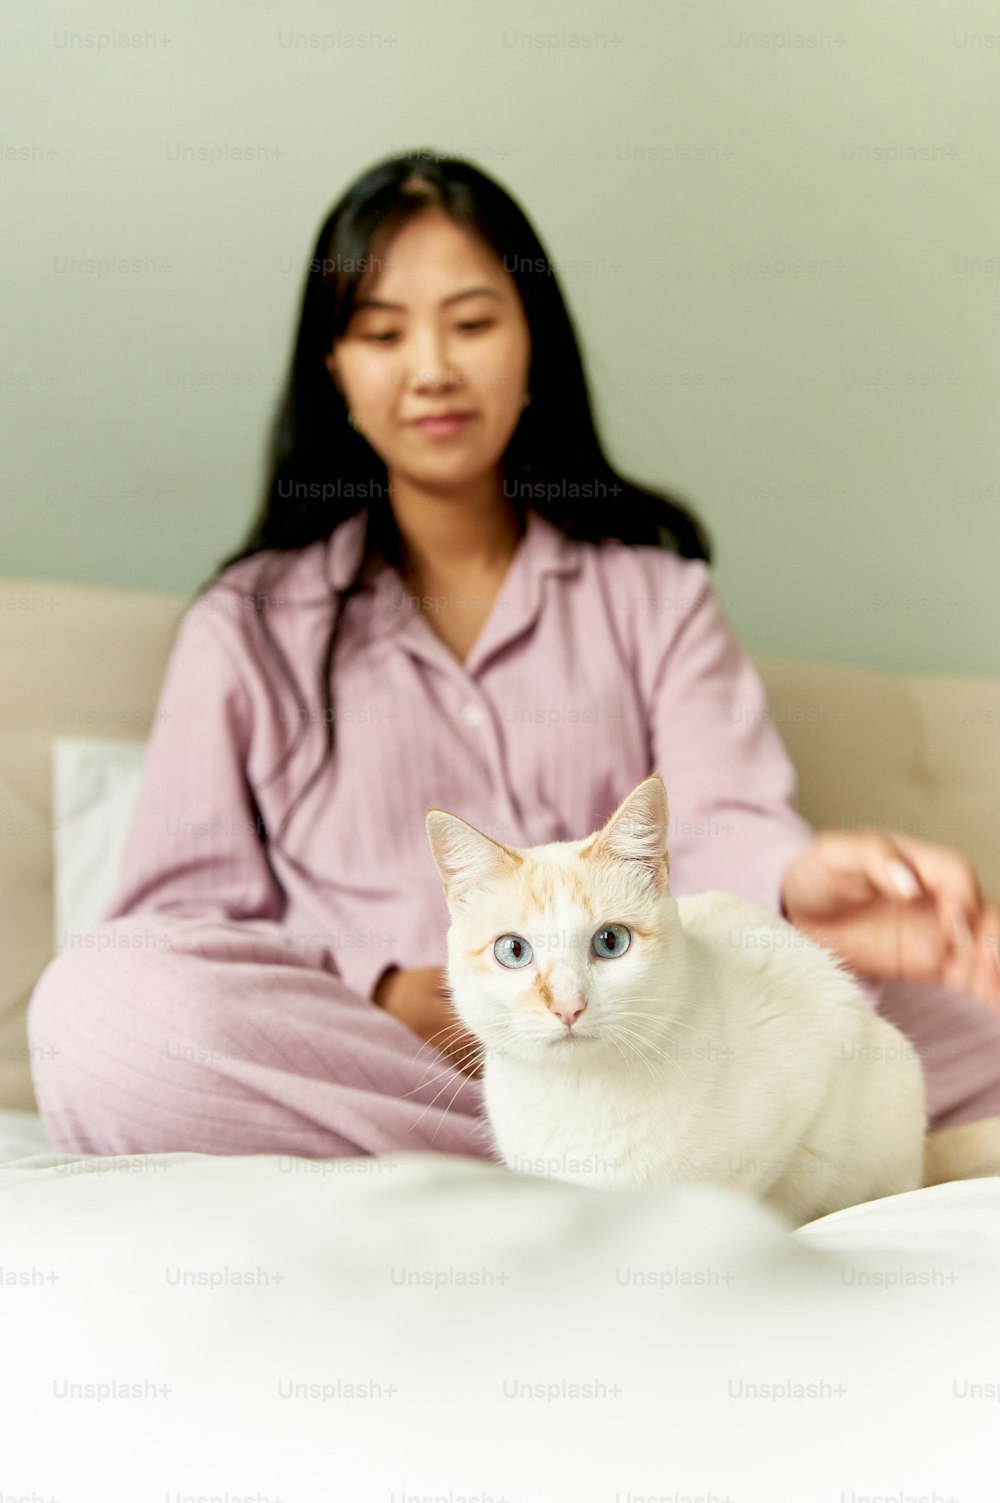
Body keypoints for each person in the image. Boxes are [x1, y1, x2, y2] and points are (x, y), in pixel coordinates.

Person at [26, 153, 1000, 1161]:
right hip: (387, 1057)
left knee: (947, 1017)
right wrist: (387, 986)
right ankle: (586, 1158)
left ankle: (597, 1153)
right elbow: (177, 923)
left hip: (656, 1046)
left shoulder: (653, 595)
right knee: (104, 1007)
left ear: (535, 346)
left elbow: (718, 831)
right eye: (381, 331)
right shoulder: (247, 627)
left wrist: (801, 890)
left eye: (474, 321)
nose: (432, 368)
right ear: (334, 368)